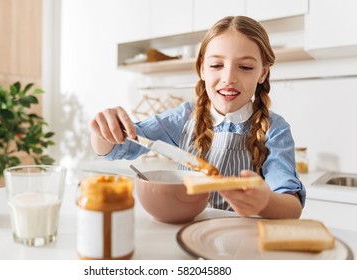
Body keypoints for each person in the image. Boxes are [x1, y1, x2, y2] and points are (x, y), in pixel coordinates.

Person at [90, 15, 306, 219]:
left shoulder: (274, 129)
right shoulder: (183, 118)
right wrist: (103, 129)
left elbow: (292, 207)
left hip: (243, 243)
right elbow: (116, 148)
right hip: (188, 232)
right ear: (202, 69)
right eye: (216, 65)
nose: (228, 78)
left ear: (263, 73)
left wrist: (265, 202)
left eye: (245, 67)